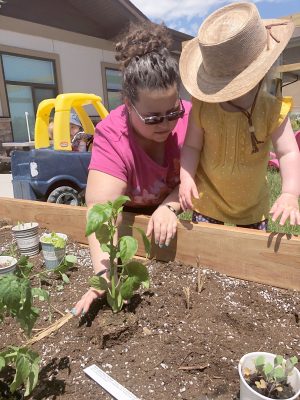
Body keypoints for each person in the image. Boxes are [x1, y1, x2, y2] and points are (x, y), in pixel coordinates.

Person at [72, 22, 191, 316]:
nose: (166, 124)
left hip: (182, 223)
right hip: (132, 226)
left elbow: (202, 179)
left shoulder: (191, 121)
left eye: (172, 112)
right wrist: (103, 275)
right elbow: (101, 209)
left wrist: (169, 205)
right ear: (128, 105)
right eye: (153, 118)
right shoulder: (113, 134)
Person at [178, 2, 300, 230]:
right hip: (208, 200)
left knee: (250, 260)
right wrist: (186, 178)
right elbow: (192, 147)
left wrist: (290, 193)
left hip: (252, 205)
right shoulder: (203, 107)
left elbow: (288, 152)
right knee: (206, 259)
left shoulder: (272, 110)